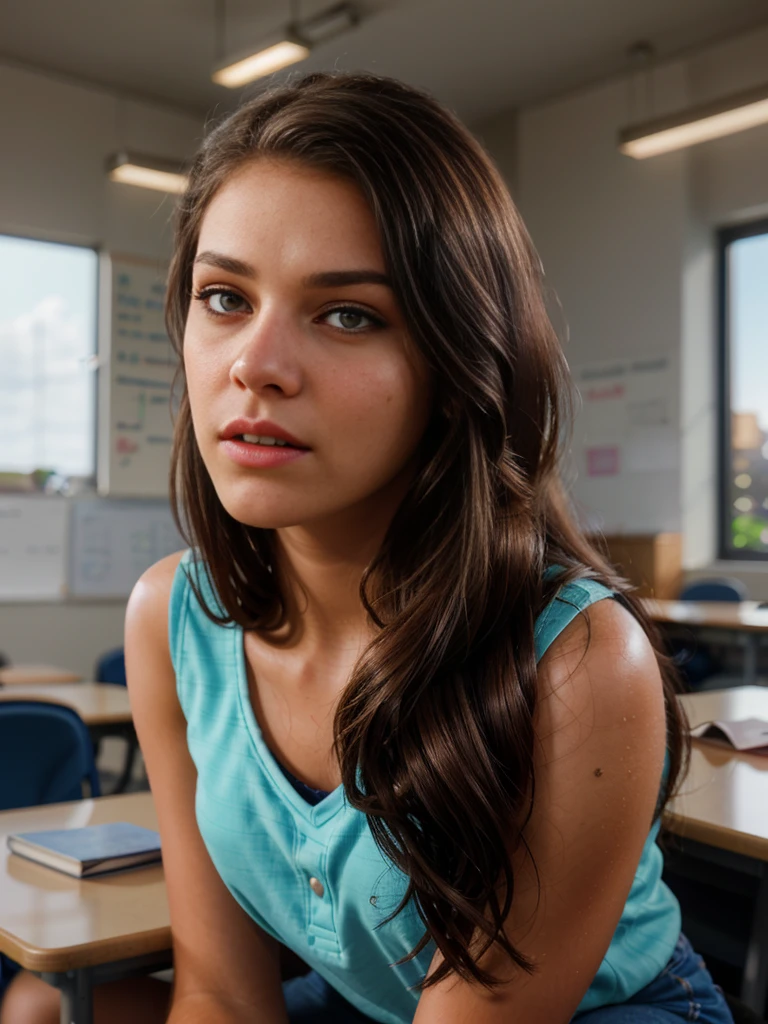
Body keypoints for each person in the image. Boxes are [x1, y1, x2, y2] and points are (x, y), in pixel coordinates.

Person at [1, 71, 735, 1024]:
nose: (253, 366)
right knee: (42, 1008)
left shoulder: (580, 665)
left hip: (604, 1013)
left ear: (458, 360)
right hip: (374, 1002)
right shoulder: (170, 619)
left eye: (348, 314)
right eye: (224, 297)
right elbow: (222, 992)